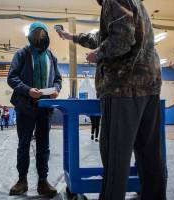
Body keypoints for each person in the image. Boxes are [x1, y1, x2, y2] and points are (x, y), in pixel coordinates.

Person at [57, 0, 167, 199]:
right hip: (149, 86)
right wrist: (71, 37)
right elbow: (103, 36)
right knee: (150, 155)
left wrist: (98, 55)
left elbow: (122, 38)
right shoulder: (136, 3)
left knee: (116, 156)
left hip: (122, 87)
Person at [8, 21, 62, 198]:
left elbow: (58, 79)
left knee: (44, 145)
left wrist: (56, 89)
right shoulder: (22, 54)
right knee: (23, 144)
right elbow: (12, 78)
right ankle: (22, 180)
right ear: (31, 36)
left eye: (43, 35)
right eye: (37, 35)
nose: (41, 38)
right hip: (25, 107)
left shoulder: (51, 56)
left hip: (44, 108)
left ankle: (43, 182)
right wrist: (27, 90)